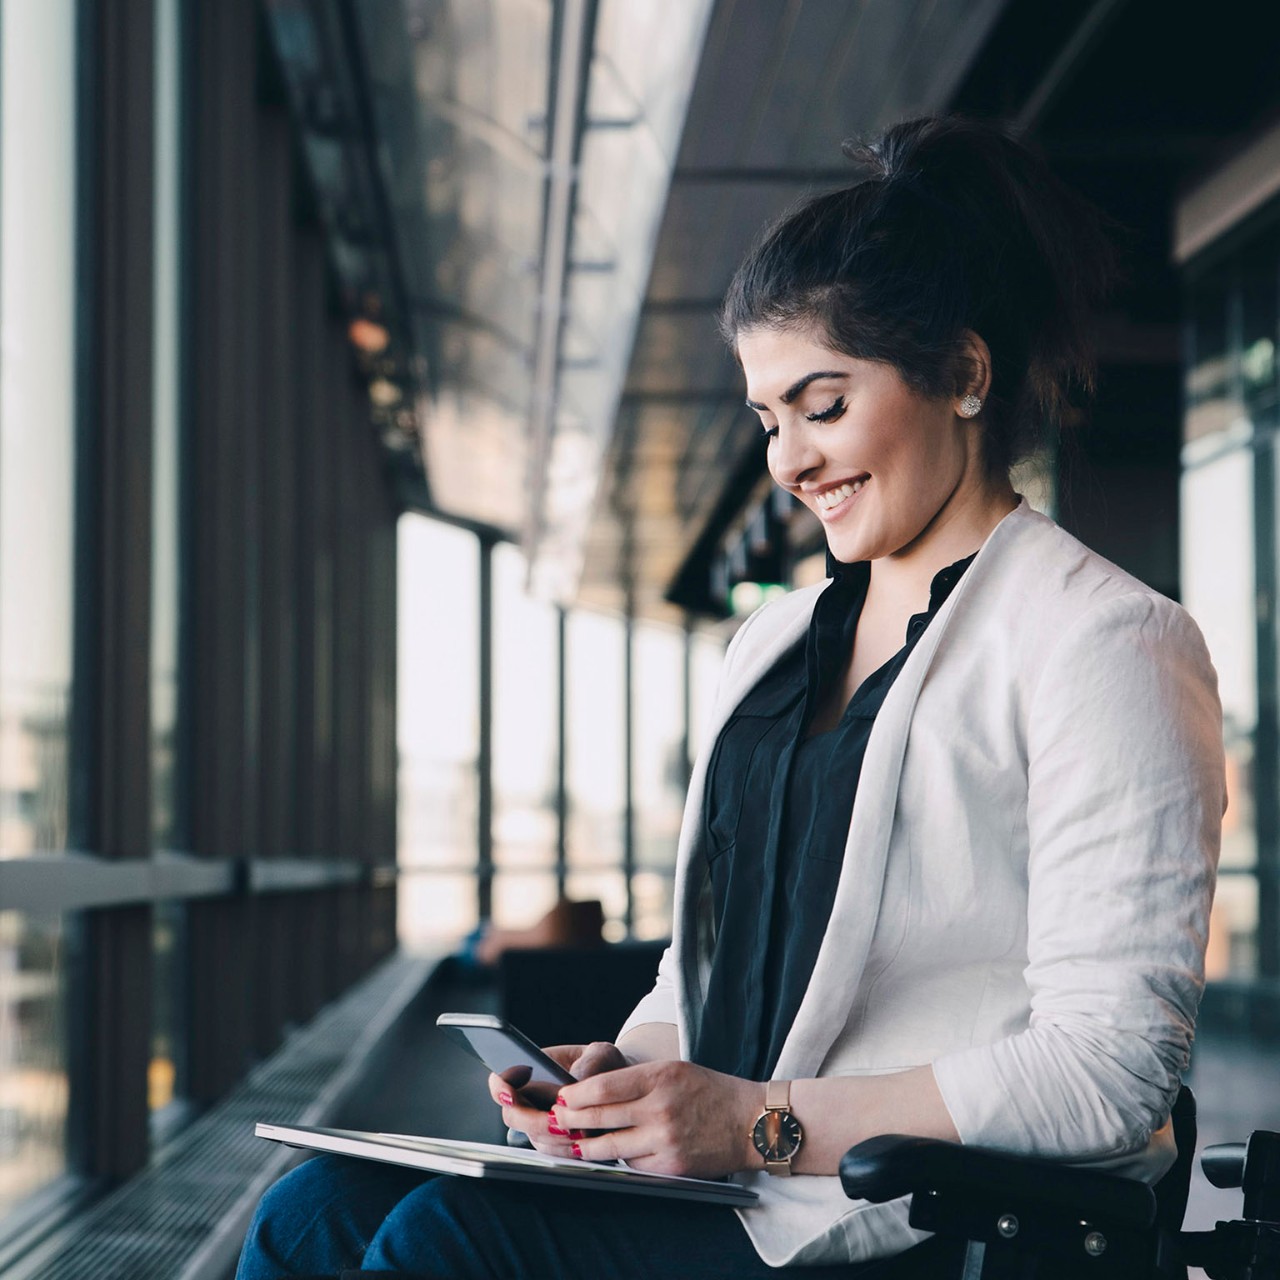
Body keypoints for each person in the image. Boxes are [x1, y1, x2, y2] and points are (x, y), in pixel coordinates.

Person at [235, 115, 1224, 1279]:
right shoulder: (769, 645)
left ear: (961, 374)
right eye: (766, 418)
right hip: (731, 1180)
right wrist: (622, 1078)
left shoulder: (1102, 642)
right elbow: (692, 977)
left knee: (440, 1245)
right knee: (309, 1214)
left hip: (906, 1212)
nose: (789, 461)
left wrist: (757, 1119)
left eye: (822, 403)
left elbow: (1105, 1069)